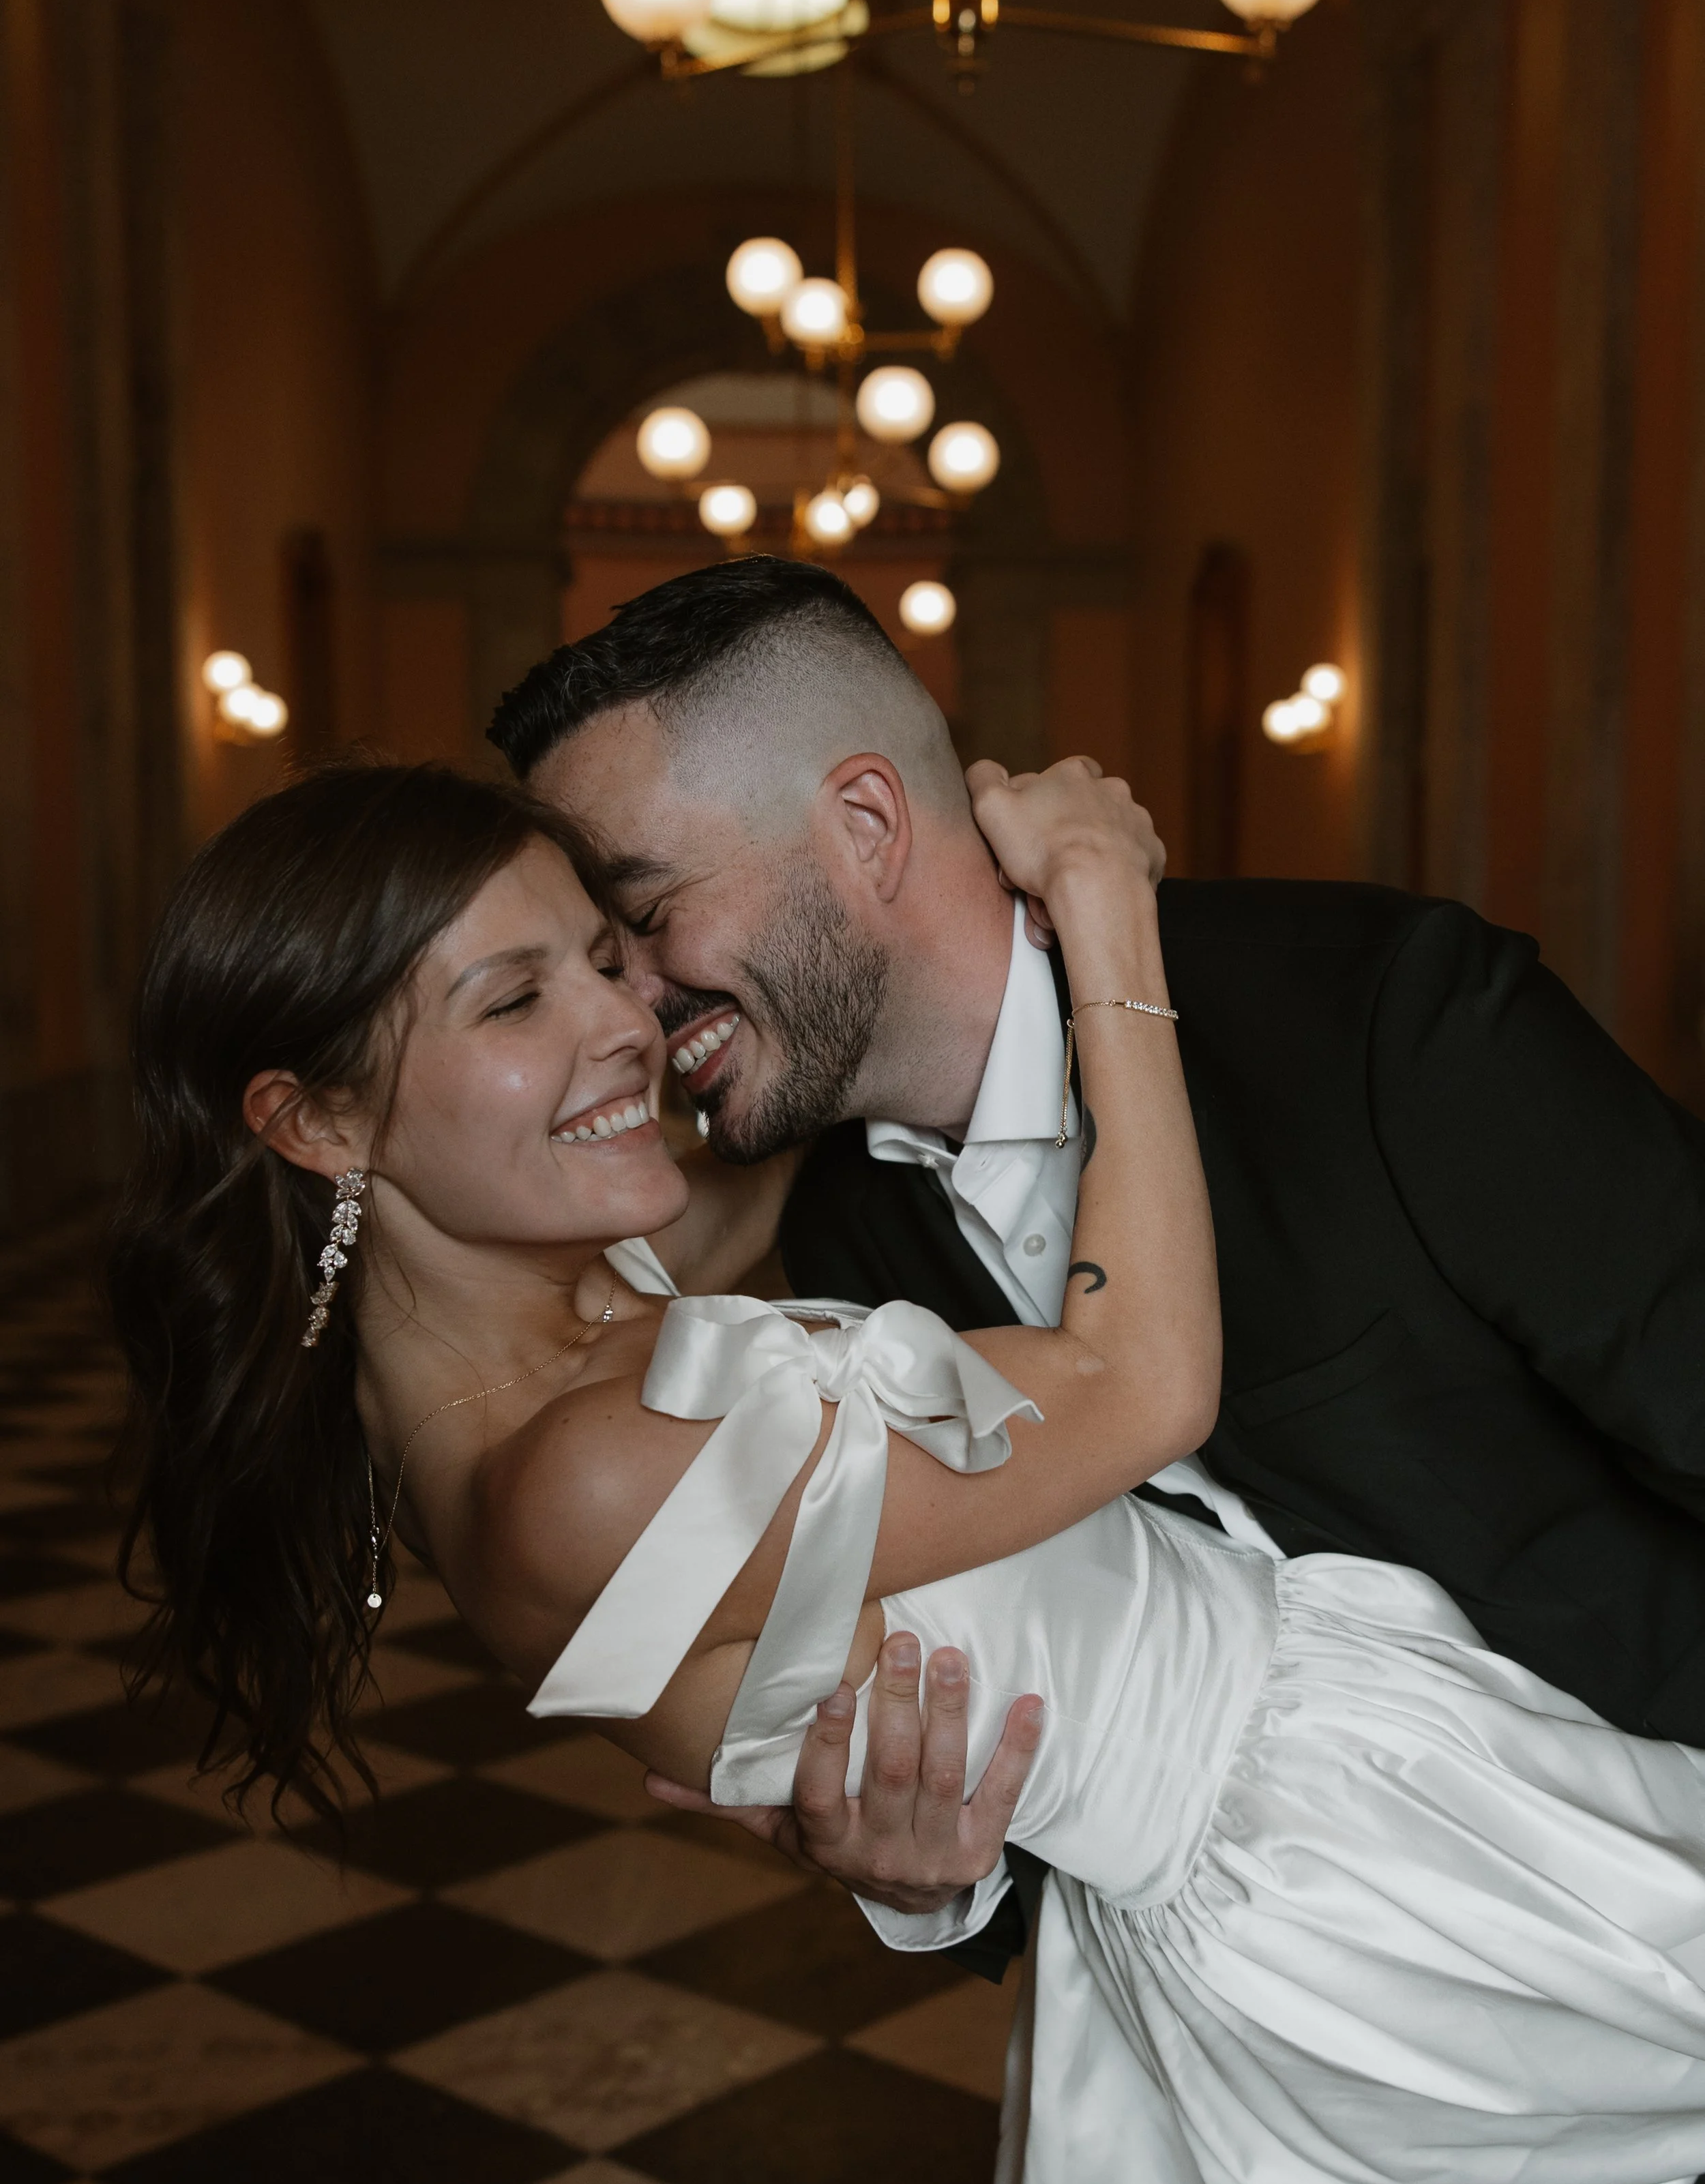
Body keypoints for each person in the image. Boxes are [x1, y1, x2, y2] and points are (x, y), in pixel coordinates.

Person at [111, 756, 1705, 2184]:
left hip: (1360, 1762)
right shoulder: (580, 1475)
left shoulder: (577, 1309)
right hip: (1363, 1880)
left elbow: (802, 1125)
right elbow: (1140, 1385)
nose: (620, 1021)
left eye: (608, 952)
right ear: (316, 1120)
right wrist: (1101, 919)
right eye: (511, 1000)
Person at [486, 557, 1705, 1980]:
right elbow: (1081, 1761)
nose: (624, 1002)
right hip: (1285, 2067)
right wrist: (926, 1876)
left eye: (641, 914)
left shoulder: (1377, 1023)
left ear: (865, 824)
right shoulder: (844, 1244)